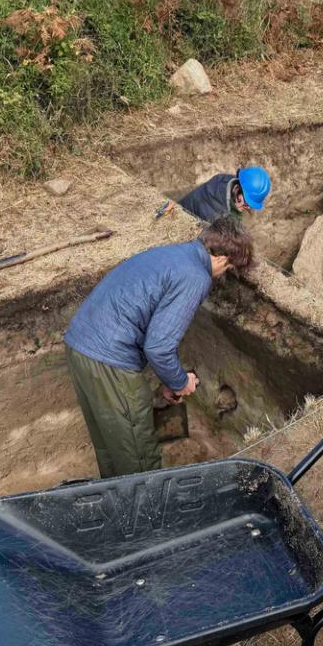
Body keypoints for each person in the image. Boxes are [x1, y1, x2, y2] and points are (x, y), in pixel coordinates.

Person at [63, 218, 254, 478]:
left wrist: (169, 380)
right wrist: (179, 382)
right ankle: (147, 517)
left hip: (80, 344)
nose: (223, 275)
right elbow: (159, 347)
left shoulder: (172, 254)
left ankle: (118, 506)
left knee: (112, 449)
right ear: (221, 259)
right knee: (139, 462)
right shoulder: (195, 276)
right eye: (229, 268)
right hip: (109, 359)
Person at [178, 166, 271, 222]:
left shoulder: (226, 180)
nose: (249, 207)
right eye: (247, 202)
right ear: (239, 189)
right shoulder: (218, 216)